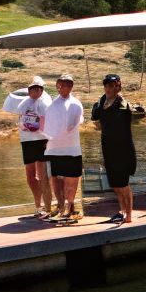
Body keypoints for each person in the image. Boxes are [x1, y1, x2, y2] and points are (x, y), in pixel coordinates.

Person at [90, 72, 146, 223]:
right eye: (107, 85)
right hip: (108, 148)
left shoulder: (123, 103)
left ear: (119, 86)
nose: (110, 88)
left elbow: (138, 114)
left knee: (123, 184)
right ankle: (121, 212)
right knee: (115, 184)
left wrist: (141, 110)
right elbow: (95, 118)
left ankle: (128, 216)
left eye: (113, 85)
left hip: (123, 149)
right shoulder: (101, 102)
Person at [1, 75, 51, 218]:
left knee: (43, 175)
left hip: (41, 140)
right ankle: (38, 205)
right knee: (30, 176)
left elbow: (48, 121)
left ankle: (48, 206)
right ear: (29, 91)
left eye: (38, 89)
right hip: (27, 141)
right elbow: (21, 119)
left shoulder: (45, 103)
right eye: (32, 89)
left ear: (41, 91)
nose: (35, 92)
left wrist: (48, 138)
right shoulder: (24, 103)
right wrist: (25, 125)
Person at [41, 71, 85, 224]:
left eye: (64, 85)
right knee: (56, 179)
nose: (60, 88)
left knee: (71, 179)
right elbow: (48, 124)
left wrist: (67, 128)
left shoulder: (76, 103)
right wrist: (47, 139)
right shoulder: (53, 103)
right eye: (58, 85)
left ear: (71, 87)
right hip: (54, 148)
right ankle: (60, 207)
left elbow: (77, 120)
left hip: (71, 149)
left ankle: (70, 208)